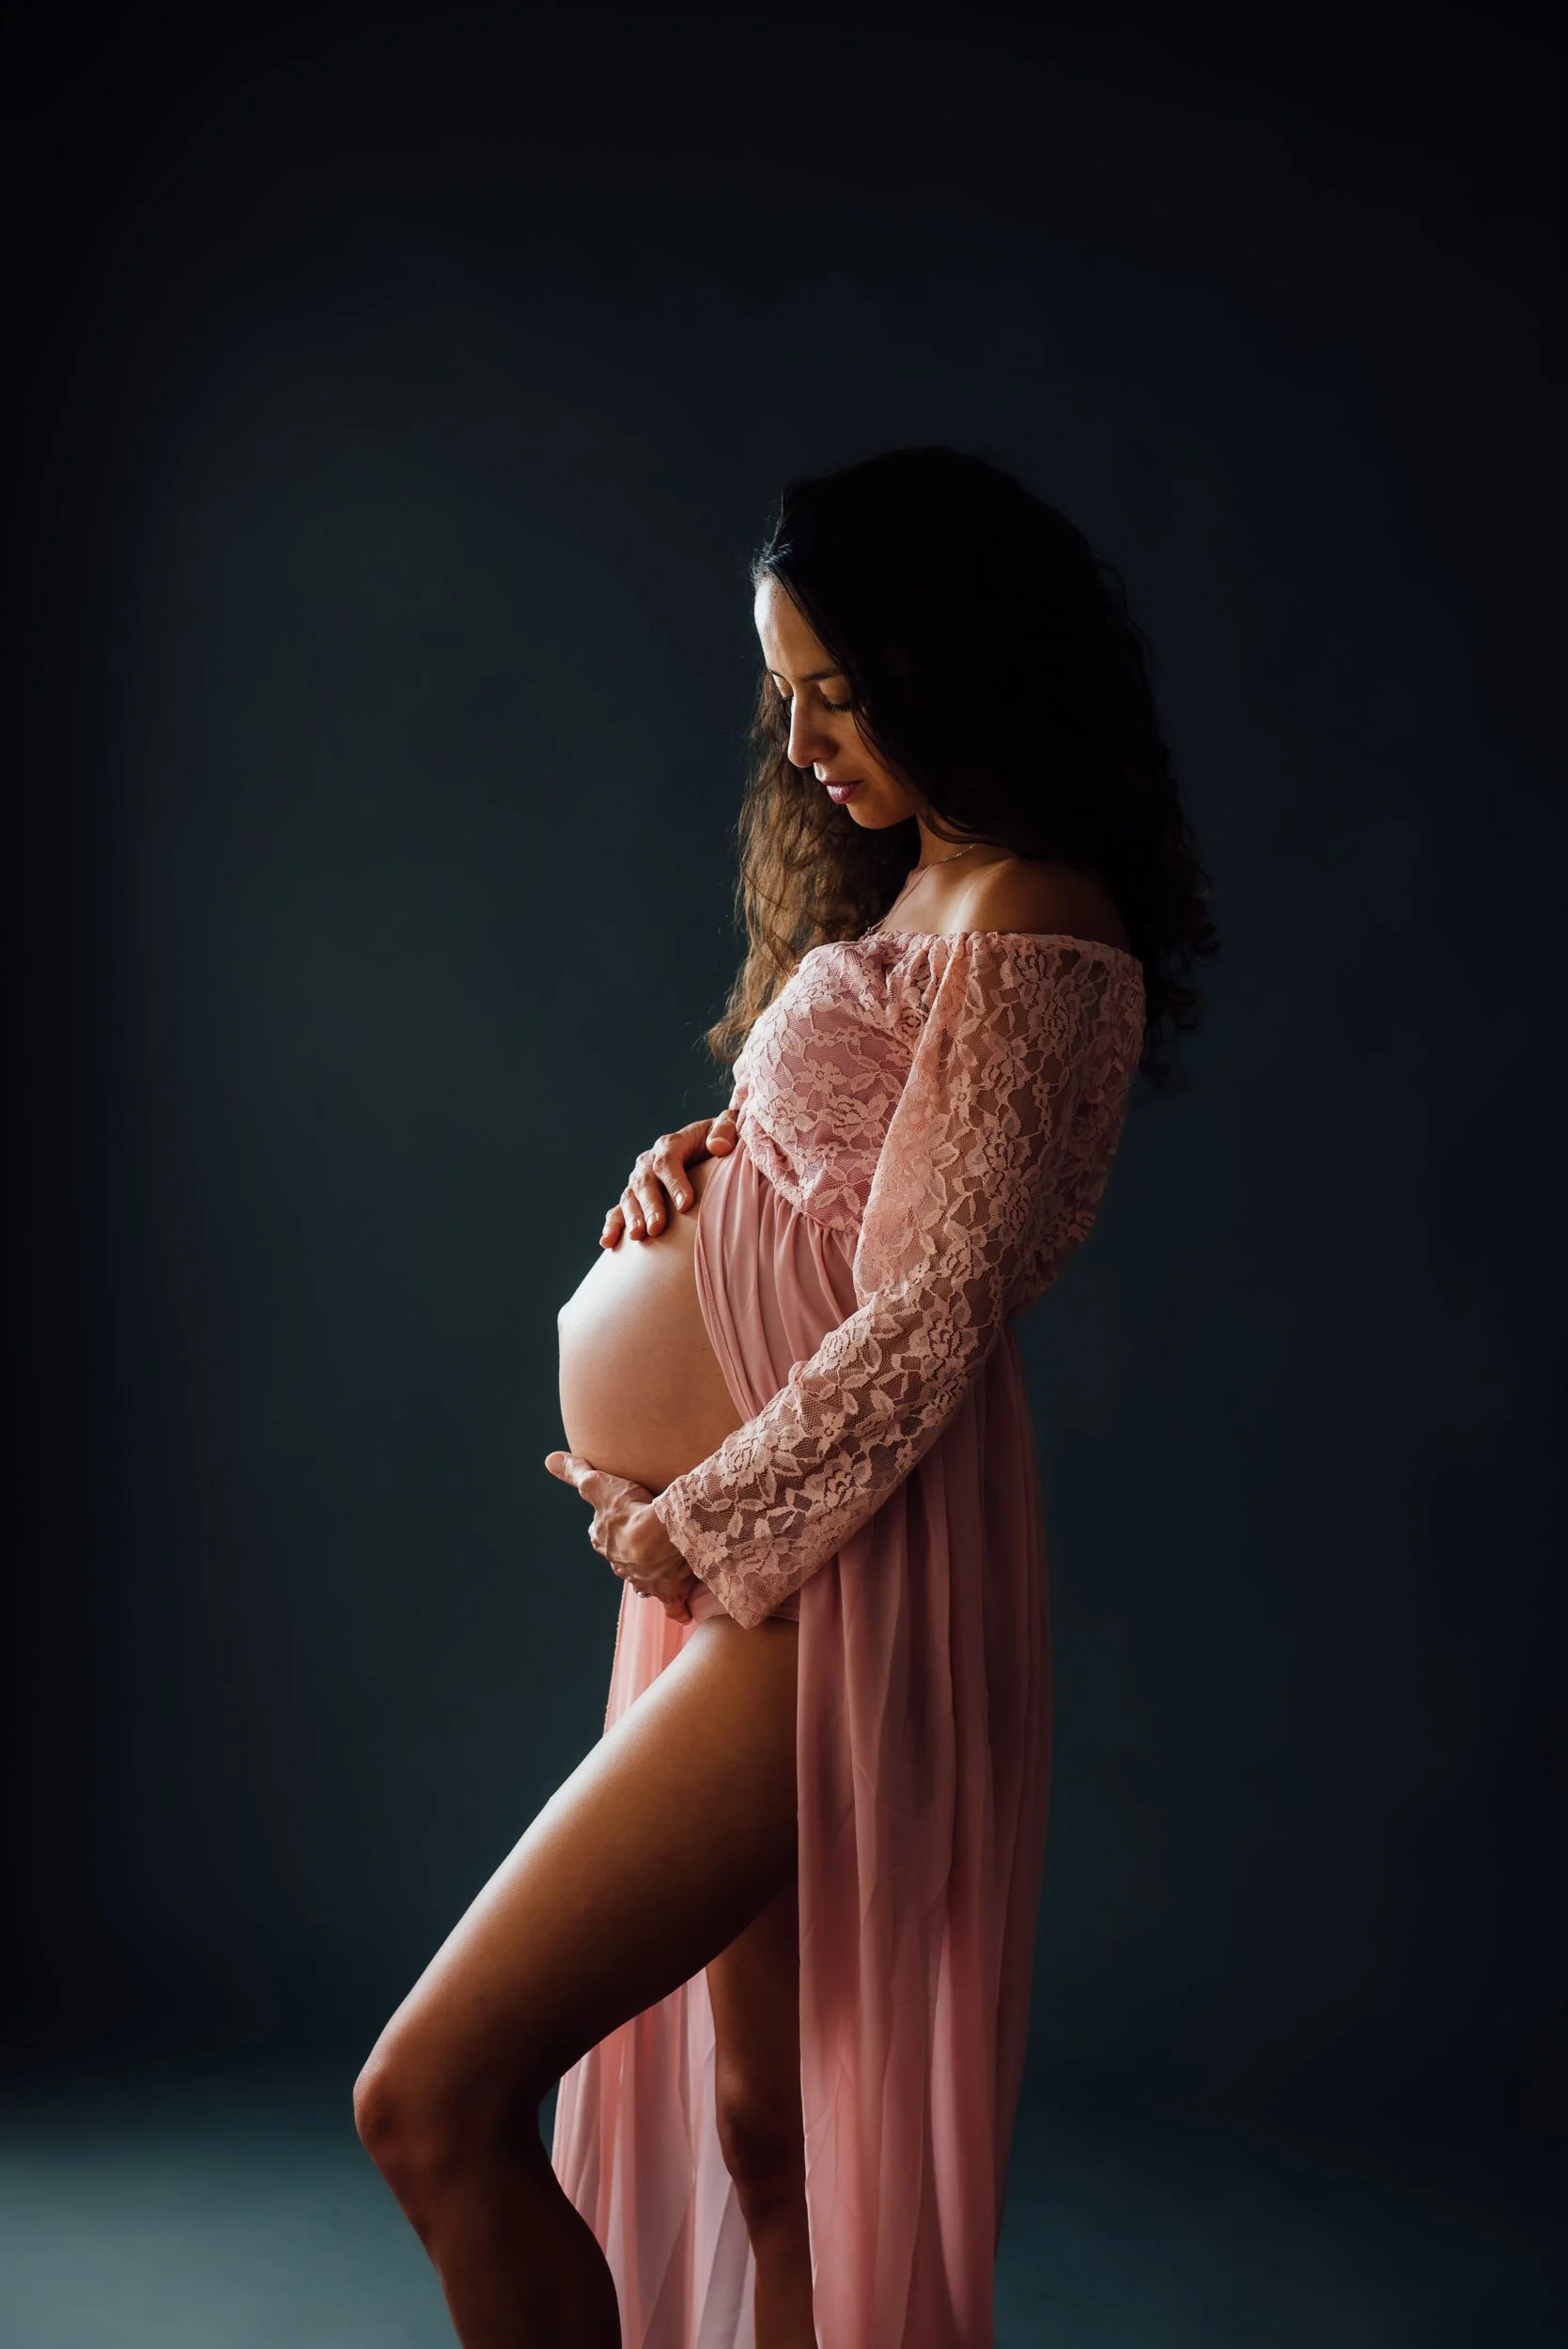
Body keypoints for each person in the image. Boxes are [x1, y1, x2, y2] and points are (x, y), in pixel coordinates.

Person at [354, 444, 1217, 2348]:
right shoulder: (928, 895)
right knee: (772, 2136)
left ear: (957, 668)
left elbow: (934, 1310)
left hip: (829, 1578)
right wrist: (704, 1162)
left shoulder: (1038, 914)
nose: (805, 742)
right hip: (761, 1572)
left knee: (430, 2098)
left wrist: (695, 1527)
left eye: (840, 692)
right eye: (786, 694)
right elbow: (854, 1180)